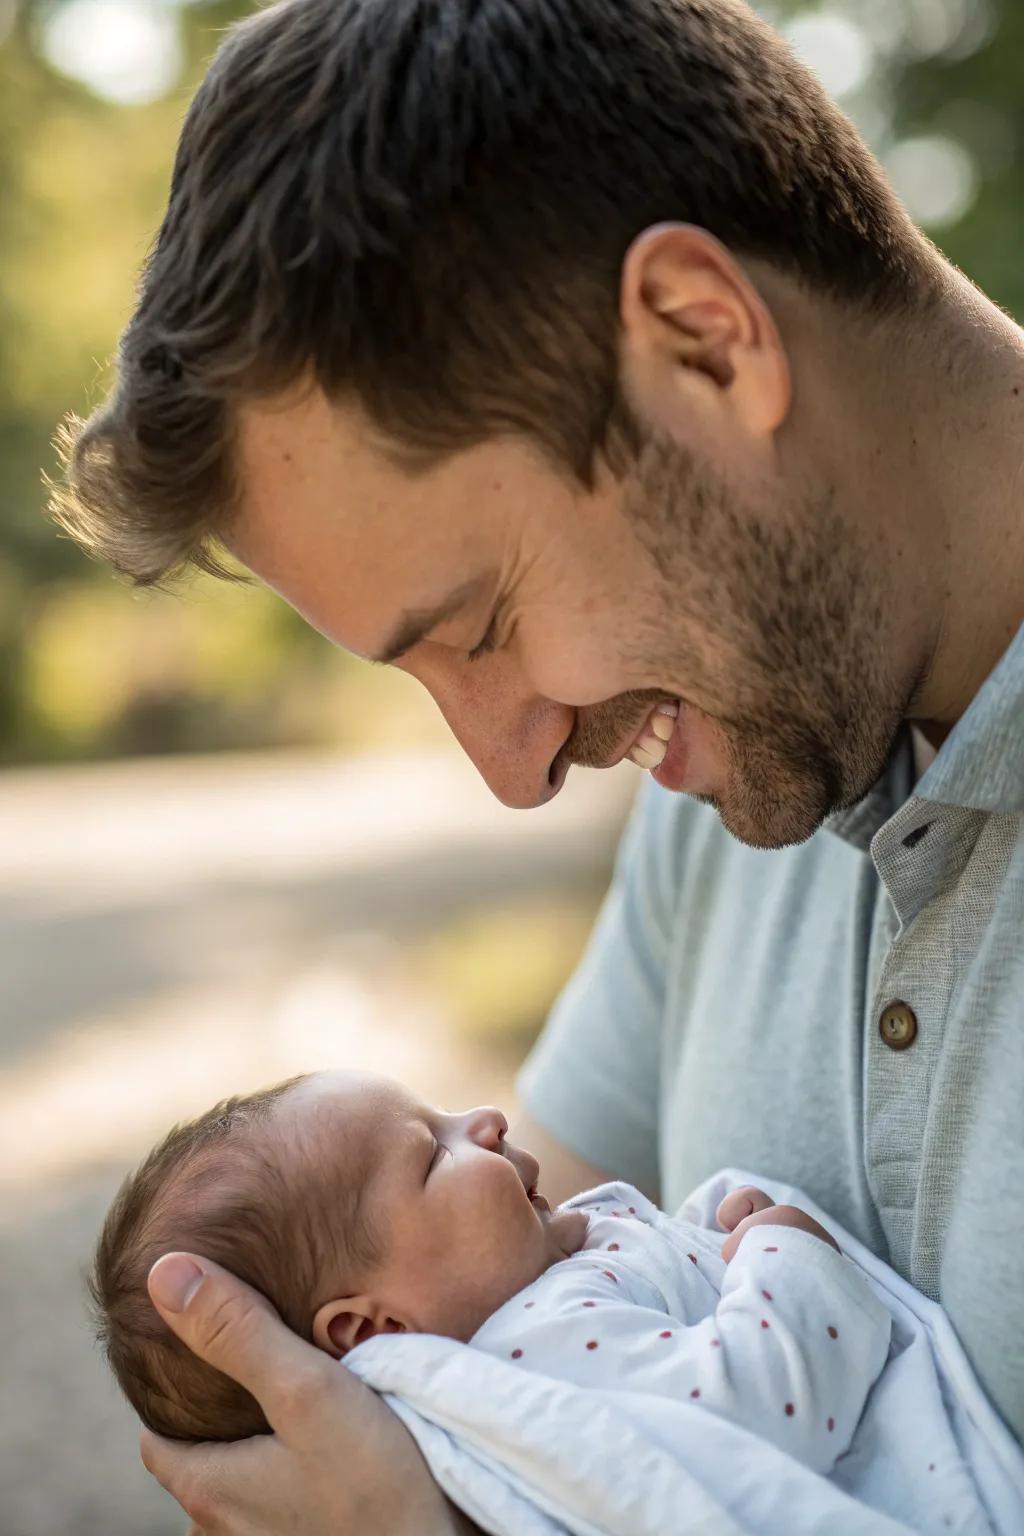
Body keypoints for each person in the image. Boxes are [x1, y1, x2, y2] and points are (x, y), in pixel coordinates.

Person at [49, 0, 1023, 1529]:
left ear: (706, 342)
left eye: (484, 622)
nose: (513, 771)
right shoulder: (737, 772)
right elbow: (478, 1313)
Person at [93, 1069, 888, 1477]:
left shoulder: (548, 1282)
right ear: (373, 1329)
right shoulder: (539, 1348)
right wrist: (782, 1257)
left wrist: (713, 1228)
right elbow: (758, 1415)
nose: (484, 1119)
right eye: (434, 1153)